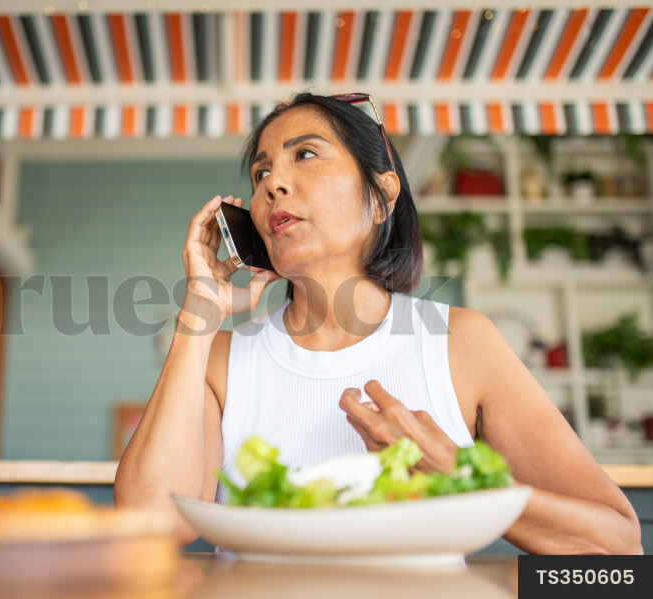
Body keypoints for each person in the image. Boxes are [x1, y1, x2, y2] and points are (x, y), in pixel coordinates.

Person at [113, 92, 642, 554]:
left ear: (381, 196)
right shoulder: (222, 359)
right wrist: (198, 314)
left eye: (305, 154)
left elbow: (617, 547)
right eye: (261, 171)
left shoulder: (463, 343)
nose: (273, 183)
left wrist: (462, 488)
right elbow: (153, 523)